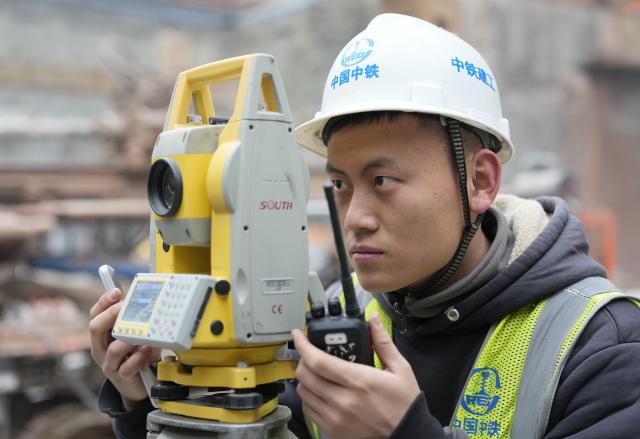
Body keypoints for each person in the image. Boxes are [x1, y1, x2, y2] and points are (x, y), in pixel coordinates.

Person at [90, 13, 640, 439]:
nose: (355, 218)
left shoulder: (601, 347)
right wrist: (145, 405)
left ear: (480, 181)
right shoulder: (334, 318)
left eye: (382, 181)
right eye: (342, 185)